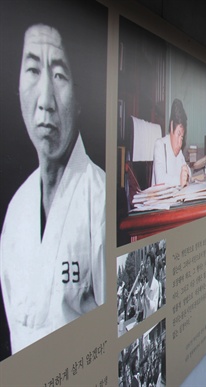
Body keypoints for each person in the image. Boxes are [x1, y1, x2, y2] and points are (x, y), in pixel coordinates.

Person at [0, 24, 105, 354]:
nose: (45, 101)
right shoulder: (17, 209)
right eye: (32, 69)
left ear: (79, 95)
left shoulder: (98, 198)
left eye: (59, 75)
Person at [152, 98, 191, 187]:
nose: (180, 143)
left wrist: (187, 173)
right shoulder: (160, 145)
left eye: (182, 137)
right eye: (178, 134)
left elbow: (188, 172)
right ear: (171, 126)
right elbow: (159, 180)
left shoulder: (179, 153)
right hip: (159, 199)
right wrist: (180, 179)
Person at [141, 252, 160, 317]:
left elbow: (154, 308)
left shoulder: (156, 284)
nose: (146, 266)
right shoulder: (145, 286)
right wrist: (138, 296)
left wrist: (146, 297)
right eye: (146, 263)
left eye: (148, 263)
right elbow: (141, 308)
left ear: (152, 265)